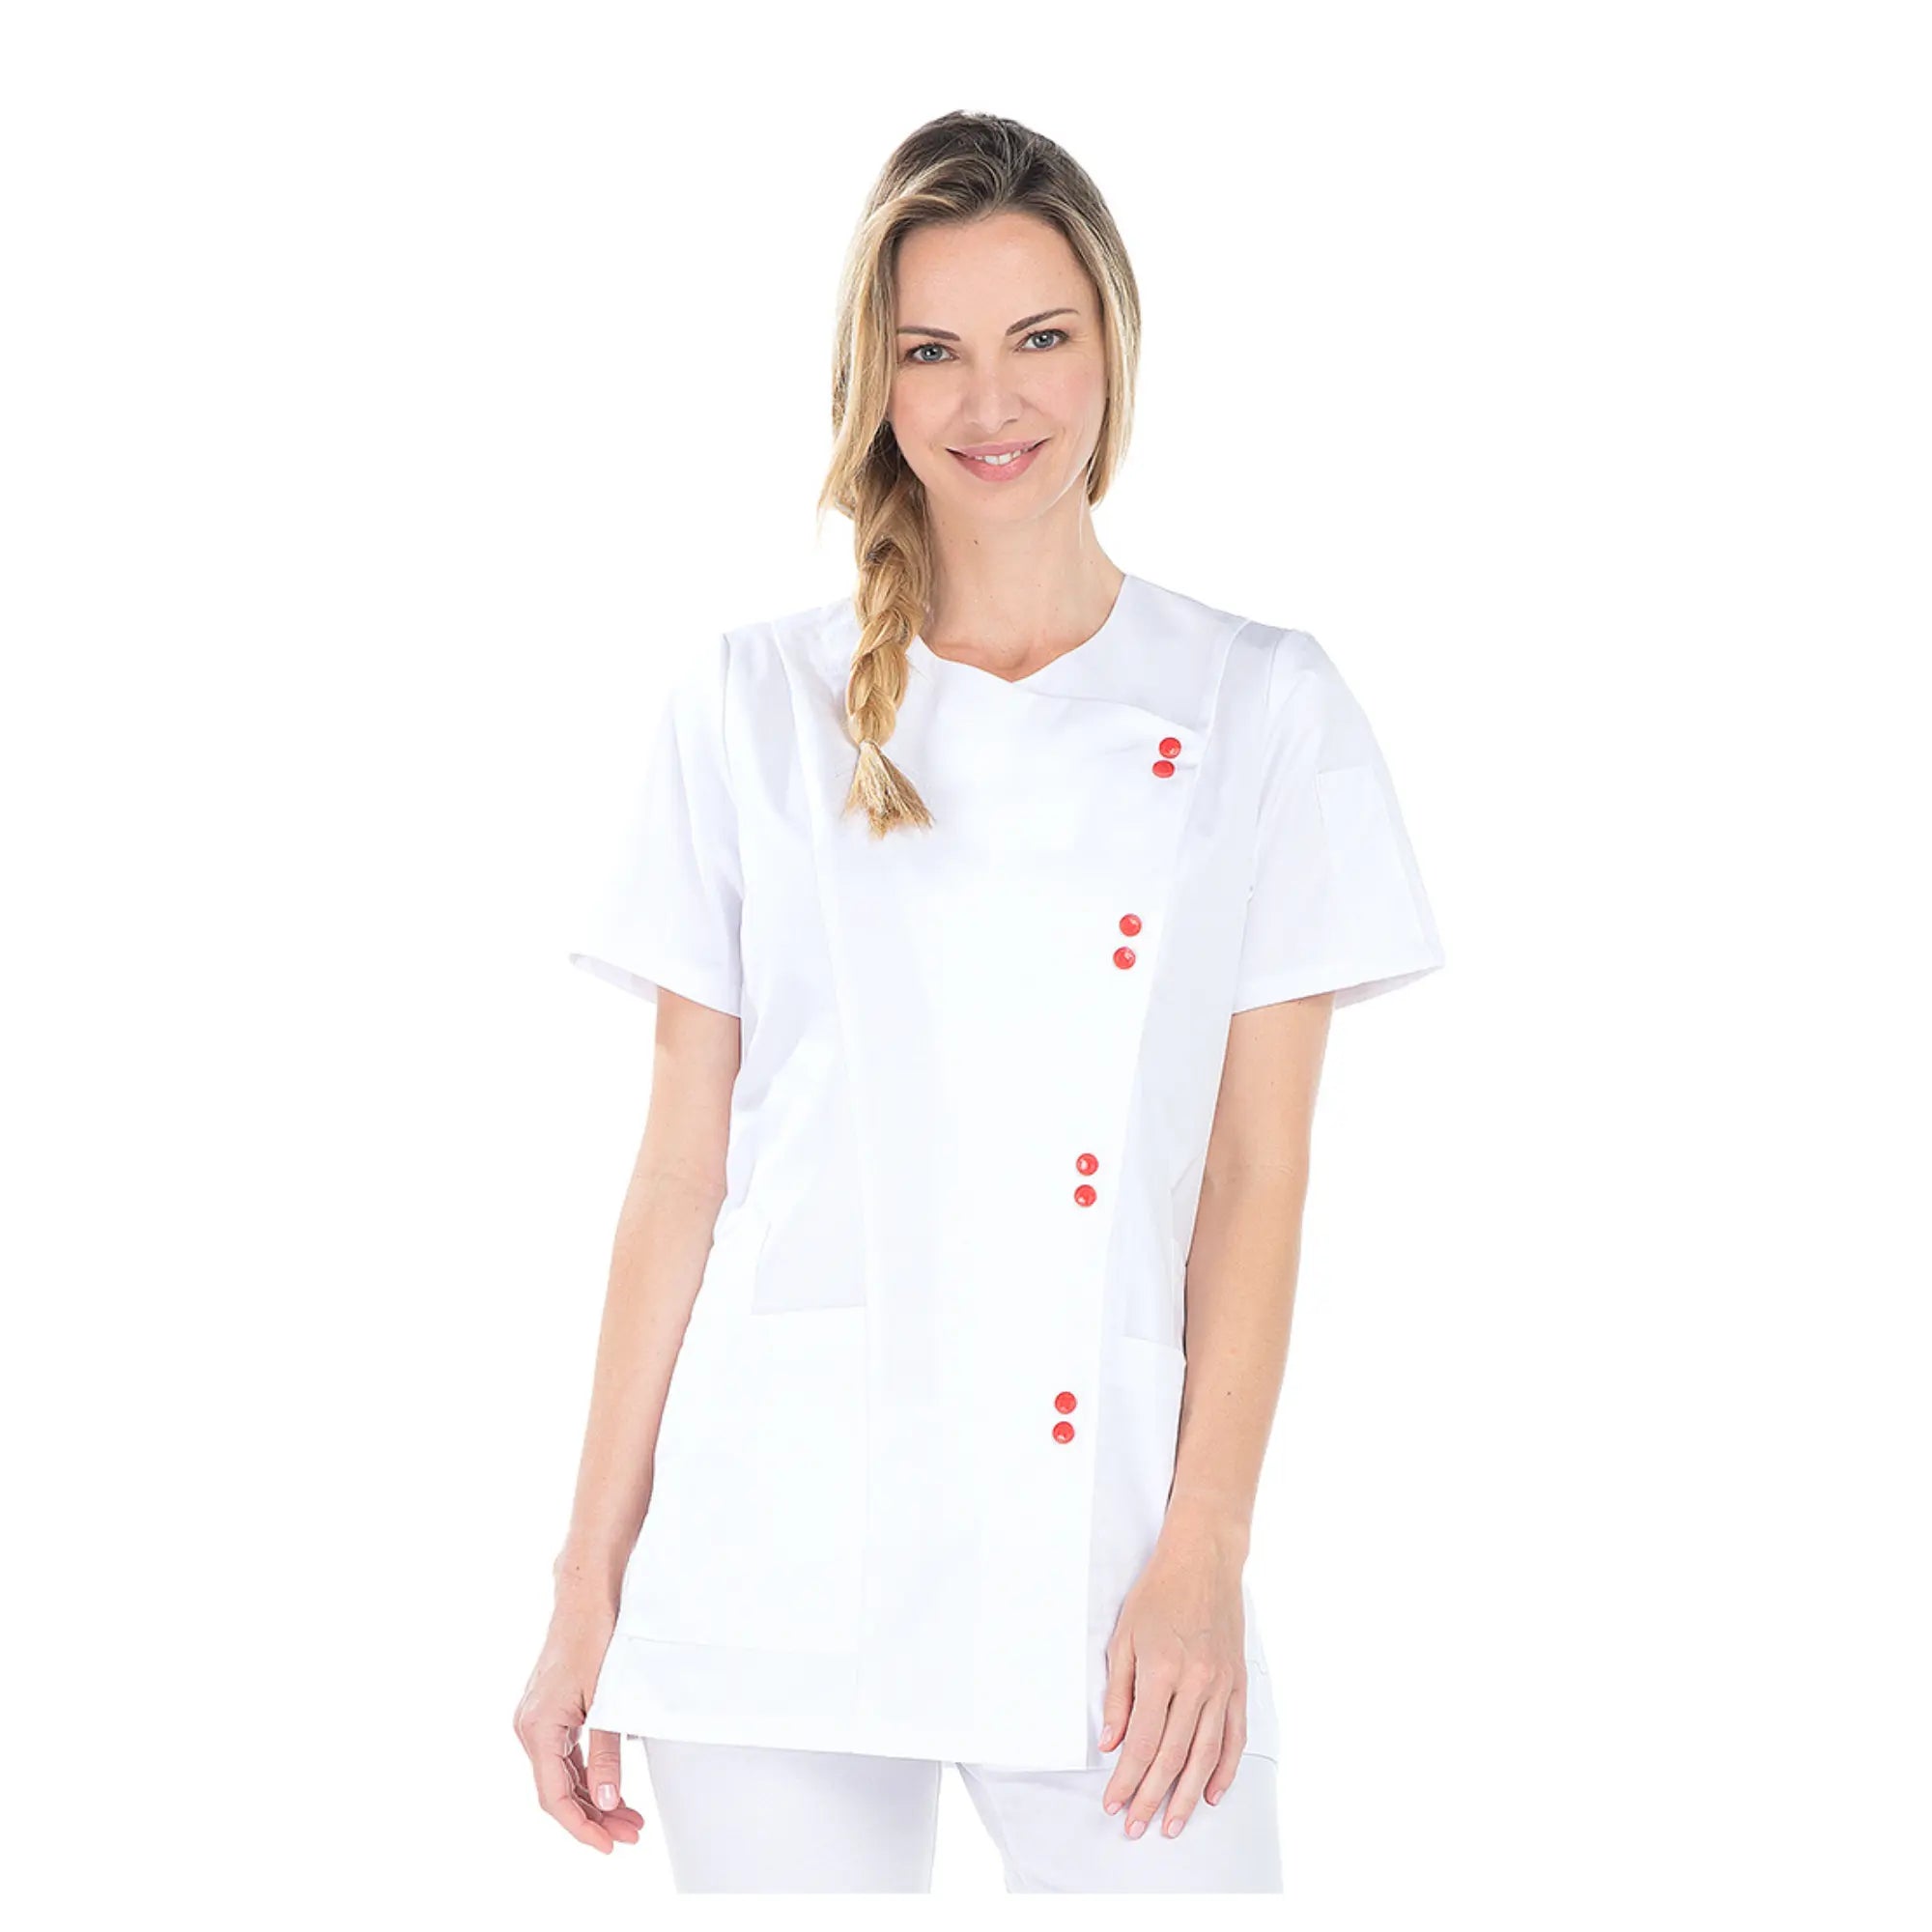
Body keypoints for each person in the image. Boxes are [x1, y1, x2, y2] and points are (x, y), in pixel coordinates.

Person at [513, 108, 1445, 1894]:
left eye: (1039, 338)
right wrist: (584, 1587)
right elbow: (681, 1177)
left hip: (1104, 1549)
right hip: (778, 1548)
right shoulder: (750, 705)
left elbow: (1254, 1176)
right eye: (930, 349)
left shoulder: (1264, 705)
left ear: (1114, 349)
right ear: (873, 380)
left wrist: (1206, 1549)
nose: (989, 401)